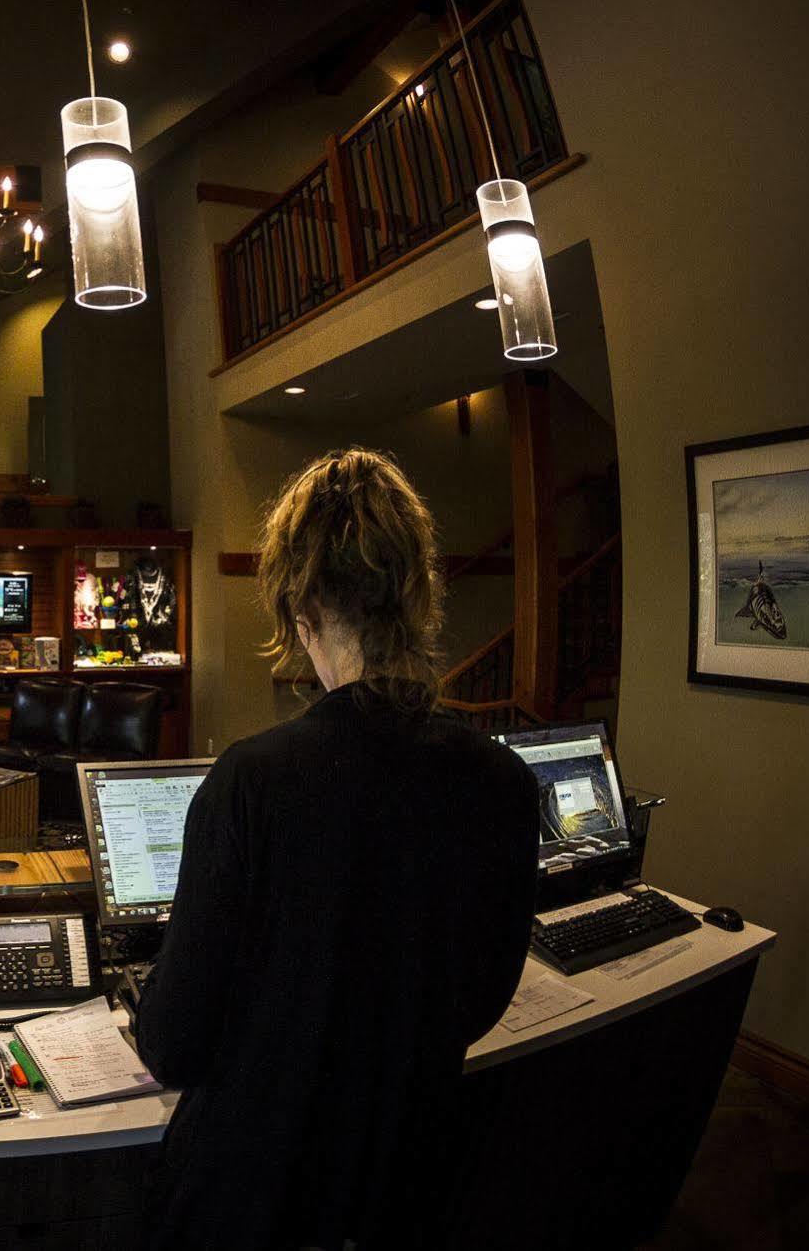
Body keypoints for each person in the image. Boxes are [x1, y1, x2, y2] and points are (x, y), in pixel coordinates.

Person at [135, 449, 538, 1249]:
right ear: (415, 593)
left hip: (255, 1193)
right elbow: (479, 1000)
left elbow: (173, 1046)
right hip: (405, 1179)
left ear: (300, 602)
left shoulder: (250, 782)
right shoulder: (501, 778)